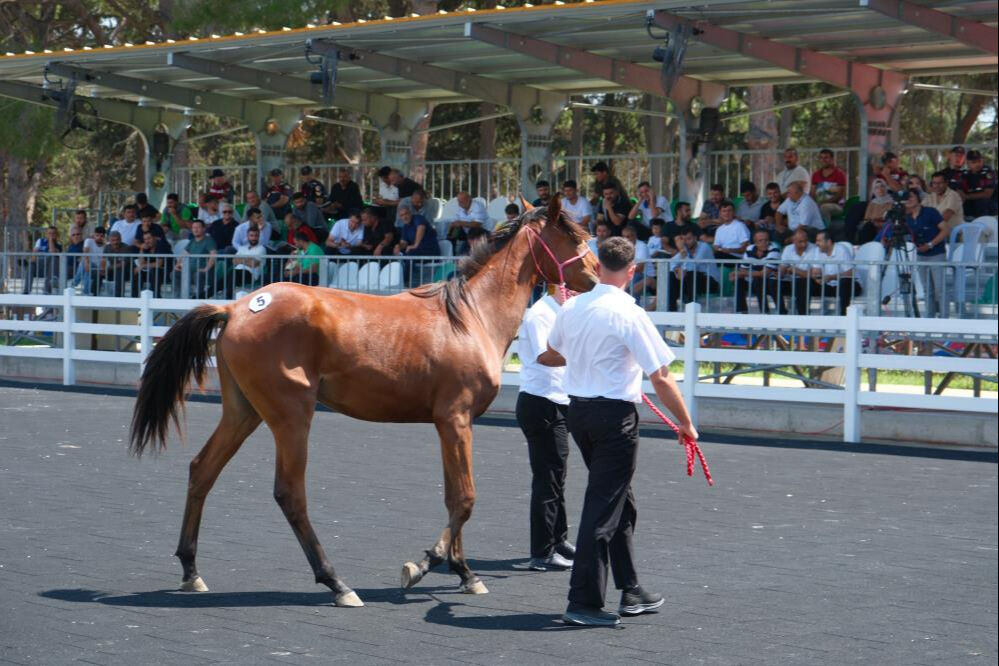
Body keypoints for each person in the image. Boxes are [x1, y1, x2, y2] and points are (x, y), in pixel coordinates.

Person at [544, 236, 697, 627]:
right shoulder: (629, 313)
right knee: (604, 504)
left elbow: (554, 352)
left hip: (579, 412)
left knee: (618, 500)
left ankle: (631, 589)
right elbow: (660, 376)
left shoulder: (572, 306)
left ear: (597, 267)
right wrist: (685, 422)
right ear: (632, 271)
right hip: (614, 417)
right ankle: (583, 601)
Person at [516, 287, 575, 572]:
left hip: (555, 400)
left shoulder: (561, 311)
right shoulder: (541, 314)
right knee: (548, 478)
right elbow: (545, 357)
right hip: (542, 402)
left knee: (556, 475)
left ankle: (557, 539)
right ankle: (542, 551)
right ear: (555, 285)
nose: (575, 292)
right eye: (570, 286)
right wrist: (585, 354)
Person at [879, 188, 949, 318]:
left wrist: (930, 244)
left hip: (936, 254)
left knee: (940, 289)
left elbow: (945, 229)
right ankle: (929, 318)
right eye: (907, 197)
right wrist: (887, 240)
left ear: (919, 198)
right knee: (927, 289)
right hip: (921, 255)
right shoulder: (906, 217)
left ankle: (945, 319)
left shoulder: (930, 212)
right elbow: (903, 234)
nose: (909, 199)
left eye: (911, 196)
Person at [808, 230, 861, 316]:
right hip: (829, 286)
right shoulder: (818, 250)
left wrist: (831, 277)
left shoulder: (841, 250)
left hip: (850, 286)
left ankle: (844, 316)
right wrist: (817, 278)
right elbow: (816, 271)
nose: (816, 243)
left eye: (819, 241)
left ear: (828, 242)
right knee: (807, 282)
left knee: (844, 282)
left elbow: (850, 273)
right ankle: (804, 314)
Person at [667, 225, 719, 312]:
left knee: (691, 274)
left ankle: (691, 308)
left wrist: (682, 252)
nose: (686, 242)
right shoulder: (685, 249)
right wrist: (677, 270)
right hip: (693, 281)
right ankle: (671, 310)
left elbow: (693, 266)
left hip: (711, 282)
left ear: (695, 238)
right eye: (684, 239)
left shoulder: (704, 247)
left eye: (689, 239)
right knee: (672, 276)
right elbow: (671, 263)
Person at [734, 229, 781, 313]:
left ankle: (765, 312)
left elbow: (764, 274)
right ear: (755, 242)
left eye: (766, 240)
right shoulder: (750, 249)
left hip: (773, 281)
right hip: (756, 281)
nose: (764, 243)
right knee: (739, 279)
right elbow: (743, 269)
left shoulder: (774, 249)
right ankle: (742, 311)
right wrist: (738, 274)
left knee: (758, 279)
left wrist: (741, 273)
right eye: (760, 241)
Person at [395, 206, 438, 286]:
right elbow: (404, 243)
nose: (404, 217)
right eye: (402, 215)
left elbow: (421, 228)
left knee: (410, 254)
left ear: (410, 213)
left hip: (430, 250)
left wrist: (415, 245)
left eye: (406, 214)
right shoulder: (405, 227)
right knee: (401, 254)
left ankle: (405, 283)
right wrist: (398, 246)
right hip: (418, 252)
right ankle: (399, 281)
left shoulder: (418, 218)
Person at [778, 228, 818, 315]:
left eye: (805, 241)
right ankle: (781, 312)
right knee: (773, 282)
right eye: (800, 242)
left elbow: (812, 274)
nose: (804, 244)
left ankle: (803, 315)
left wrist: (794, 270)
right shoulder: (788, 249)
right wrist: (779, 274)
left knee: (802, 281)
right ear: (793, 240)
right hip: (791, 281)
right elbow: (782, 269)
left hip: (810, 282)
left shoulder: (815, 249)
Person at [175, 219, 218, 298]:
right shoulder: (192, 241)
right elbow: (184, 254)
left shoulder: (209, 241)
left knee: (198, 275)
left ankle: (198, 298)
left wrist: (206, 269)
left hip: (203, 273)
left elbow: (213, 255)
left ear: (204, 229)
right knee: (175, 273)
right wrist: (177, 265)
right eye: (194, 228)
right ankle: (178, 297)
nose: (195, 229)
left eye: (198, 227)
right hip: (189, 271)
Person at [811, 149, 847, 226]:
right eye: (821, 158)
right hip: (819, 204)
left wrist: (821, 203)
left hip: (836, 205)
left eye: (826, 157)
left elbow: (839, 196)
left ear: (832, 159)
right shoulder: (815, 175)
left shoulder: (839, 174)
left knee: (824, 207)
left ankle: (824, 230)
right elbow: (812, 193)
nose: (823, 160)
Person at [22, 226, 62, 294]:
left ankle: (47, 290)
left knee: (53, 258)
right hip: (39, 265)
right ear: (46, 234)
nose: (51, 235)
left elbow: (52, 252)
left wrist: (50, 241)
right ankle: (26, 291)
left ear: (56, 235)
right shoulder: (40, 241)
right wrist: (35, 258)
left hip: (50, 269)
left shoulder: (59, 245)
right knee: (31, 264)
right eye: (49, 233)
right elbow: (34, 255)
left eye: (53, 233)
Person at [131, 233, 171, 297]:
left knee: (155, 270)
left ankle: (155, 296)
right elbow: (141, 263)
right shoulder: (147, 247)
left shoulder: (161, 245)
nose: (147, 241)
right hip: (151, 273)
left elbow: (159, 264)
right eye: (145, 239)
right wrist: (141, 249)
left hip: (165, 273)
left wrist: (142, 266)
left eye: (149, 238)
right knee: (137, 272)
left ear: (154, 238)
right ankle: (134, 297)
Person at [231, 225, 266, 296]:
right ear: (247, 237)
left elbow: (253, 264)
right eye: (251, 236)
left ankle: (228, 297)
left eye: (256, 236)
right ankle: (206, 294)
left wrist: (241, 259)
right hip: (237, 271)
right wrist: (248, 259)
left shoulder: (261, 248)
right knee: (227, 278)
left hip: (250, 274)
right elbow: (234, 261)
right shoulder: (242, 248)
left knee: (231, 276)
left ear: (259, 237)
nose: (254, 238)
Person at [857, 178, 895, 245]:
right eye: (876, 187)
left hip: (885, 227)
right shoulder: (872, 203)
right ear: (874, 190)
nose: (880, 189)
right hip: (872, 227)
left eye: (882, 186)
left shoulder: (892, 202)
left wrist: (877, 221)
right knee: (867, 227)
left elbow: (890, 218)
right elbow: (866, 218)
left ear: (886, 188)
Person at [960, 150, 997, 218]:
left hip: (987, 209)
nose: (977, 164)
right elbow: (959, 189)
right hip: (970, 208)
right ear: (968, 163)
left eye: (979, 161)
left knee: (982, 202)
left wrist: (967, 196)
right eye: (974, 162)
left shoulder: (988, 172)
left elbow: (987, 194)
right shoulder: (965, 174)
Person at [103, 230, 131, 297]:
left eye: (117, 240)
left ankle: (119, 297)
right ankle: (93, 296)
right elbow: (103, 261)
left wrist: (109, 267)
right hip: (111, 270)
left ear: (121, 239)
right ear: (109, 240)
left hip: (125, 271)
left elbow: (123, 264)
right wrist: (103, 268)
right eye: (113, 240)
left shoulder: (126, 247)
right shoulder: (107, 247)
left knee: (119, 271)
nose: (115, 242)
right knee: (97, 273)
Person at [79, 226, 107, 295]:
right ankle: (86, 292)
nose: (99, 238)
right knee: (86, 266)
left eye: (101, 236)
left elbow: (104, 260)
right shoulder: (89, 241)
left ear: (104, 236)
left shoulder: (106, 246)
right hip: (88, 265)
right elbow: (85, 252)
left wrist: (105, 244)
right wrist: (86, 263)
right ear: (94, 235)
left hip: (98, 269)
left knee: (88, 268)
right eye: (97, 235)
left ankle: (75, 283)